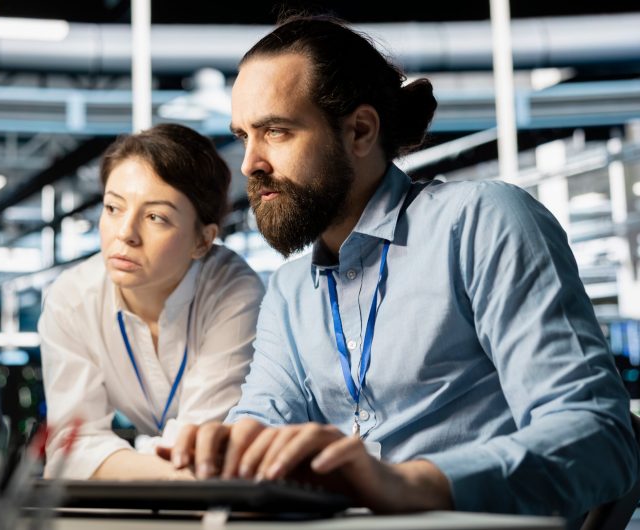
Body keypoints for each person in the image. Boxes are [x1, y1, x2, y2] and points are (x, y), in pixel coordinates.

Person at [161, 16, 640, 518]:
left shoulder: (480, 222)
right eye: (244, 136)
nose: (249, 164)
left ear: (360, 131)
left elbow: (600, 440)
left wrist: (409, 483)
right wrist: (227, 449)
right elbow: (262, 418)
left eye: (276, 131)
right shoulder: (291, 291)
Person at [39, 123, 265, 480]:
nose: (125, 233)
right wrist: (168, 472)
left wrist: (111, 466)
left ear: (202, 241)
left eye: (155, 217)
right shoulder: (71, 299)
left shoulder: (234, 291)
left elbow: (203, 446)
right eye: (113, 208)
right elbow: (69, 449)